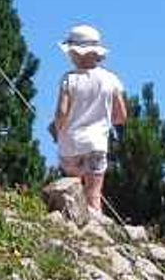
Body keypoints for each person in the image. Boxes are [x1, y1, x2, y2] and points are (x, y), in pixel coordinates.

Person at [49, 23, 126, 215]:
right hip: (97, 144)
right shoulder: (111, 79)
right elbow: (121, 116)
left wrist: (56, 129)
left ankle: (77, 226)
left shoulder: (69, 79)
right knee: (94, 195)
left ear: (76, 53)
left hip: (71, 145)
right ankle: (97, 229)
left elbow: (61, 112)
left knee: (75, 192)